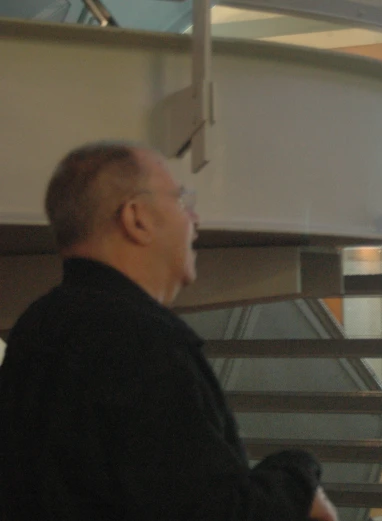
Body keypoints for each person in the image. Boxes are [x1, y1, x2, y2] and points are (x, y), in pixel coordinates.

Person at [0, 142, 339, 521]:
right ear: (137, 218)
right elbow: (207, 511)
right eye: (181, 200)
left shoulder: (35, 325)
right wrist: (300, 478)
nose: (195, 219)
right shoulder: (142, 340)